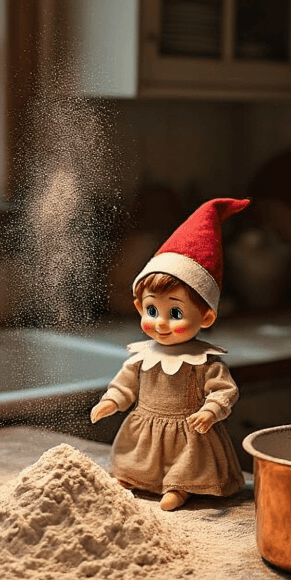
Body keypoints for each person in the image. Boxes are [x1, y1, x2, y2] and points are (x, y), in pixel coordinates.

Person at [90, 197, 249, 510]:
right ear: (139, 306)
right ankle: (132, 479)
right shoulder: (141, 356)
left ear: (205, 318)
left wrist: (210, 411)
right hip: (145, 427)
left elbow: (223, 390)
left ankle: (180, 487)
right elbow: (126, 383)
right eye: (152, 309)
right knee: (136, 461)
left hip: (188, 431)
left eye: (175, 313)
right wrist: (111, 401)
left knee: (187, 464)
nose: (160, 322)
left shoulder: (204, 362)